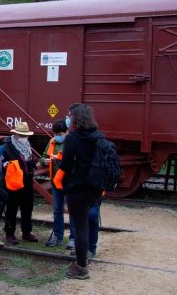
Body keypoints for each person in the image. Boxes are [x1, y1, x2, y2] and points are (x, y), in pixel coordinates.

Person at [53, 103, 104, 280]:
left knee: (80, 226)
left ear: (75, 118)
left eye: (69, 115)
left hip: (77, 188)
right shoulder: (97, 136)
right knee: (88, 222)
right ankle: (89, 252)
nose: (67, 118)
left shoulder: (73, 138)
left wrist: (59, 164)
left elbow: (66, 165)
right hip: (95, 188)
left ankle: (81, 267)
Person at [0, 122, 38, 245]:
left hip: (27, 180)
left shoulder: (27, 145)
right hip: (14, 182)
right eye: (21, 135)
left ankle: (26, 232)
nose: (23, 137)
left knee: (28, 207)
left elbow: (29, 161)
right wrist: (5, 165)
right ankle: (9, 233)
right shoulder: (7, 146)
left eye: (25, 135)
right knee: (12, 207)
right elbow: (0, 161)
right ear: (16, 134)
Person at [39, 119, 74, 248]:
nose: (57, 136)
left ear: (67, 132)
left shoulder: (72, 143)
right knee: (57, 210)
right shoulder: (52, 142)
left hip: (69, 182)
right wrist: (44, 161)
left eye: (60, 134)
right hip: (55, 181)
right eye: (55, 134)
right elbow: (43, 156)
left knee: (72, 211)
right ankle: (58, 236)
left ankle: (73, 239)